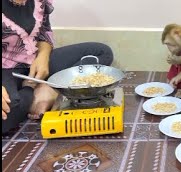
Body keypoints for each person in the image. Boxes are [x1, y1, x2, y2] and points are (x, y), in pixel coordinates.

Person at [2, 0, 114, 134]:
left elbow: (44, 32)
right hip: (6, 71)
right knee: (7, 113)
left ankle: (49, 88)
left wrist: (43, 56)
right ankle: (30, 92)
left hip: (35, 64)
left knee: (101, 52)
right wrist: (29, 87)